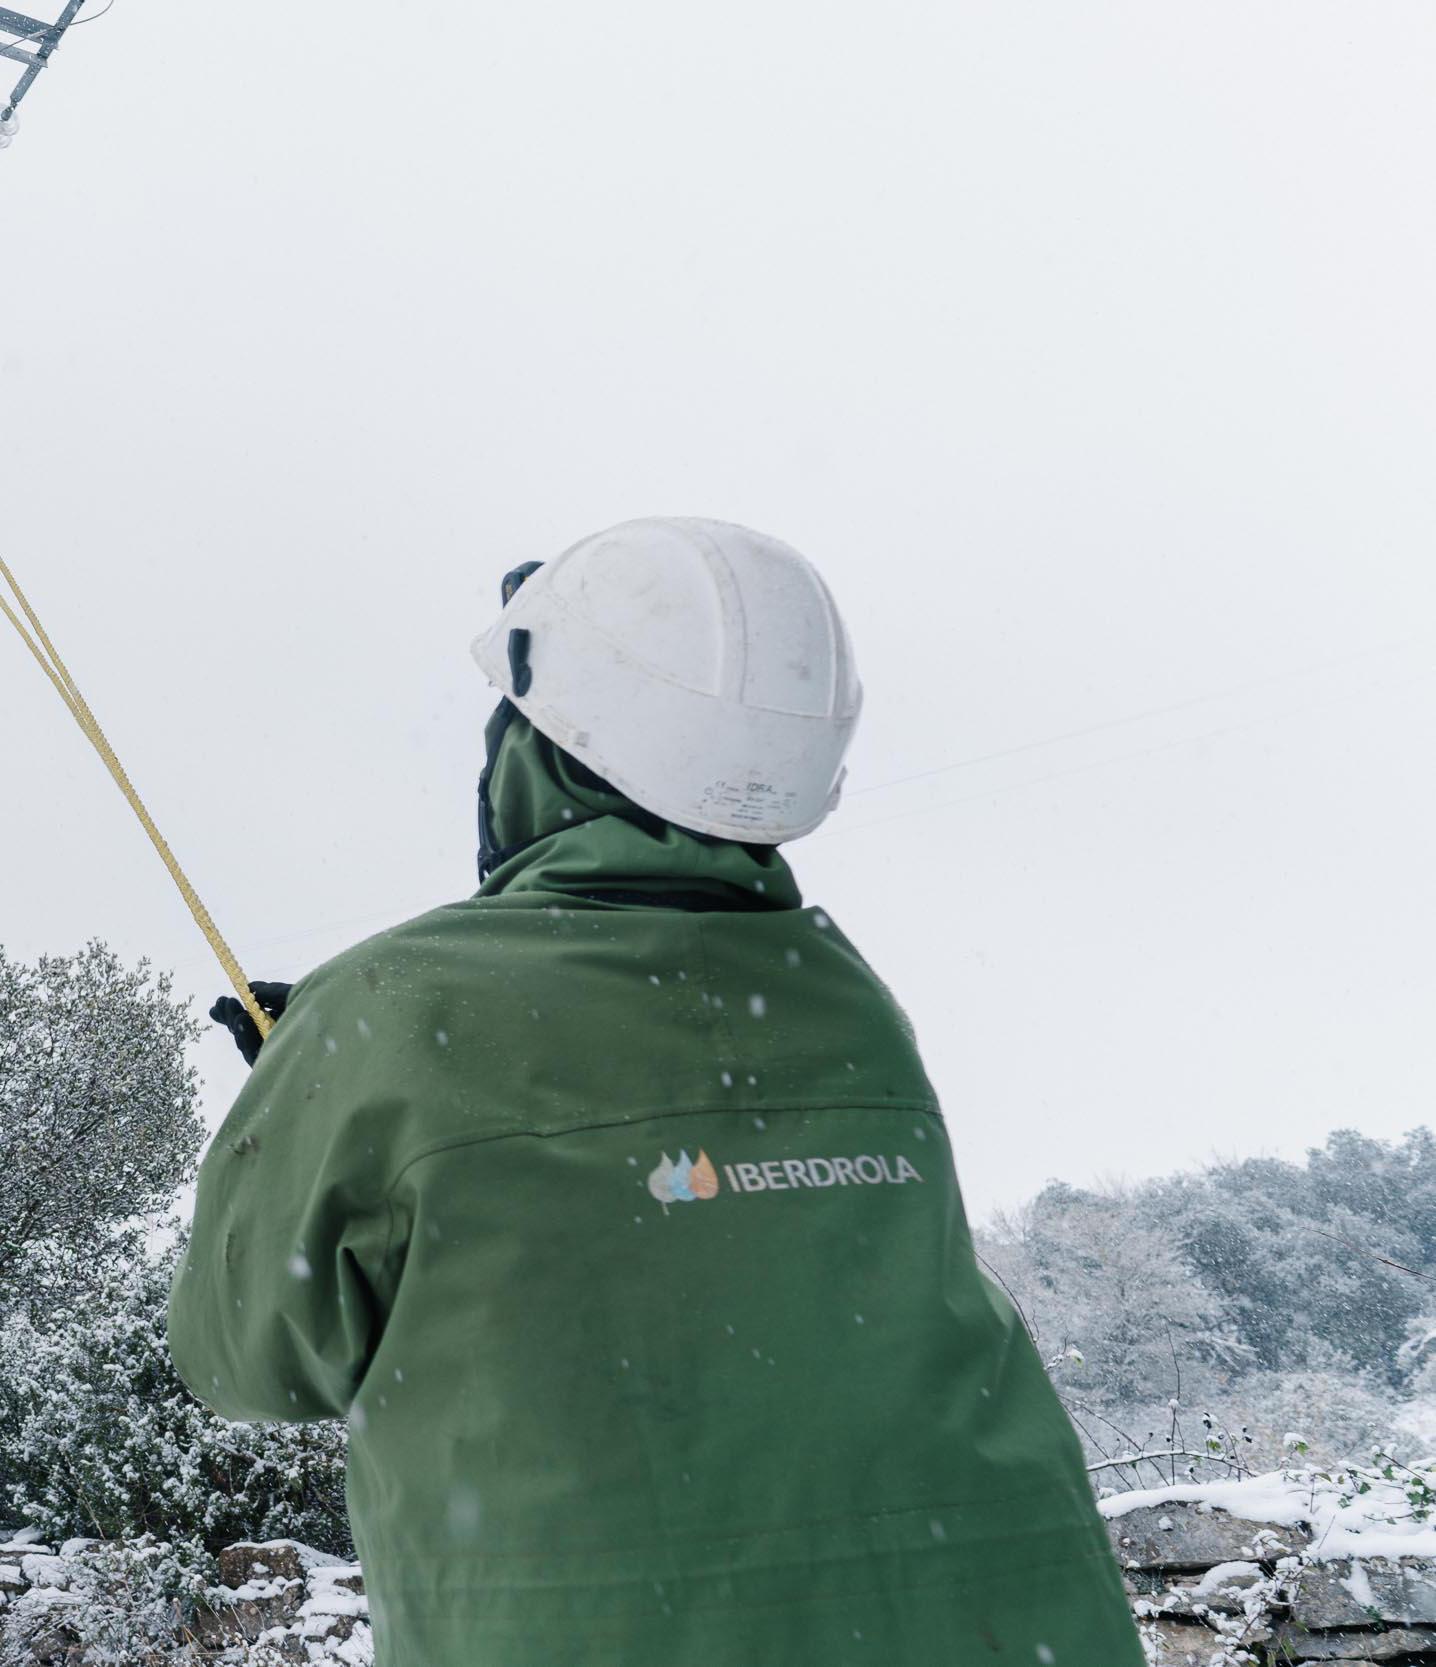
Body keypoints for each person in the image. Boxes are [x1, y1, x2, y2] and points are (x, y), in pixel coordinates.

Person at [168, 517, 1140, 1665]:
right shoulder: (844, 998)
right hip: (1004, 1624)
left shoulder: (385, 1007)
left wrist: (294, 1106)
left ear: (544, 750)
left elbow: (245, 1358)